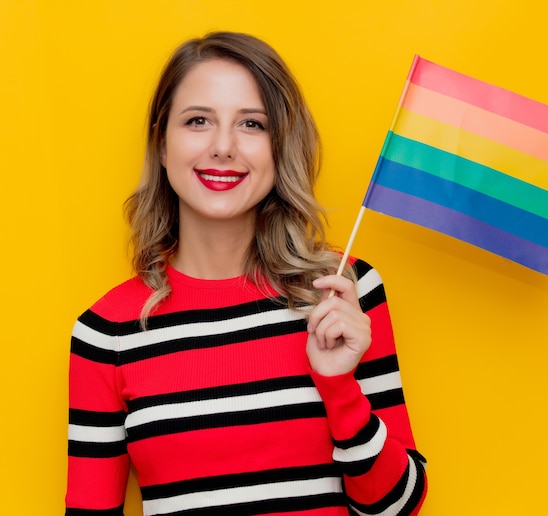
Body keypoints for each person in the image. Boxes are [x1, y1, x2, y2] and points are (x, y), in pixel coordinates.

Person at [65, 31, 427, 515]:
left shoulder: (341, 292)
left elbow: (395, 508)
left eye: (252, 124)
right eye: (197, 121)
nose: (223, 147)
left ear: (279, 147)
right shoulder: (106, 333)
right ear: (162, 144)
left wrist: (339, 386)